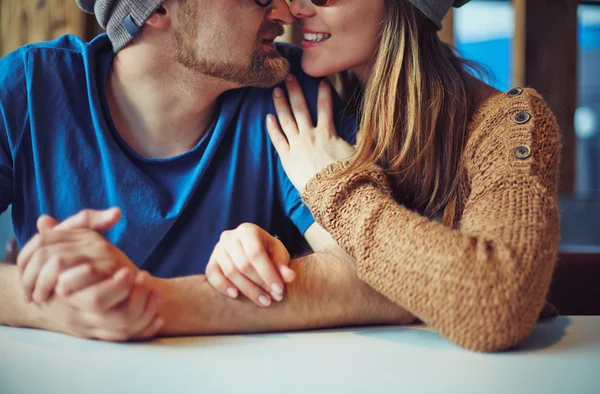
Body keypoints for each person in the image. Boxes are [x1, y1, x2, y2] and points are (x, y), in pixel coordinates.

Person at [0, 0, 415, 341]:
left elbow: (386, 280)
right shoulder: (29, 87)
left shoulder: (290, 96)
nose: (287, 13)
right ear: (157, 9)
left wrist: (146, 303)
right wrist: (43, 303)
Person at [207, 0, 561, 352]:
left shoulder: (506, 126)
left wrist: (337, 187)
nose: (295, 8)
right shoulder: (313, 102)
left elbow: (498, 307)